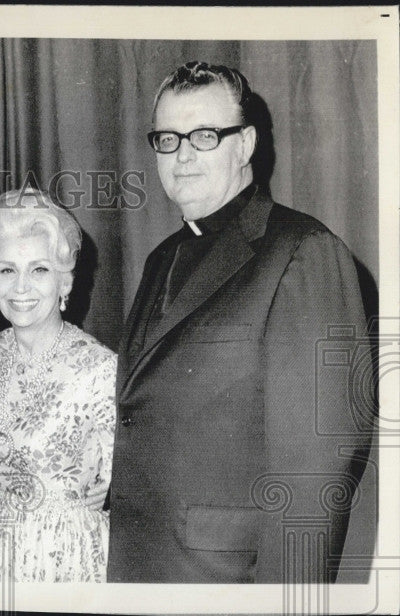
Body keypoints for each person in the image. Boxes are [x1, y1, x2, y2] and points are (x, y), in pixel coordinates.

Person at [108, 62, 370, 583]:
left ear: (245, 144)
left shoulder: (303, 252)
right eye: (167, 138)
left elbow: (313, 476)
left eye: (204, 136)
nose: (182, 156)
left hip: (228, 583)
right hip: (143, 572)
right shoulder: (161, 257)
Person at [0, 188, 116, 582]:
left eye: (39, 269)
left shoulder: (98, 368)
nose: (21, 287)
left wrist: (112, 485)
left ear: (64, 282)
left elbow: (144, 475)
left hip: (69, 566)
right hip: (3, 555)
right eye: (7, 270)